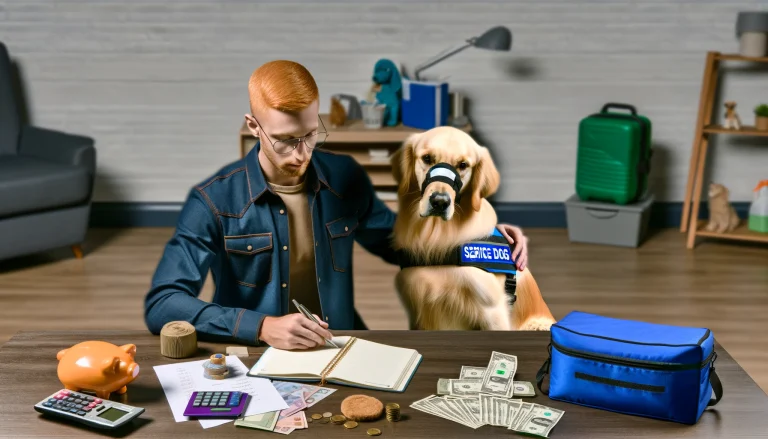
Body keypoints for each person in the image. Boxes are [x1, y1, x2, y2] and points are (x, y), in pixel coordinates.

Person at [144, 60, 531, 350]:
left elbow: (401, 247)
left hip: (342, 343)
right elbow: (163, 304)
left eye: (311, 135)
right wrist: (262, 327)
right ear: (253, 126)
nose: (302, 153)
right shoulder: (213, 200)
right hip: (255, 353)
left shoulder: (344, 176)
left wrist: (490, 242)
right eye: (285, 140)